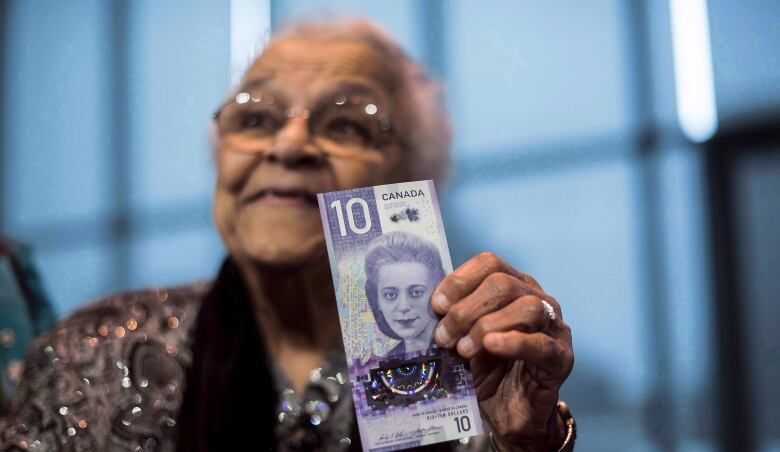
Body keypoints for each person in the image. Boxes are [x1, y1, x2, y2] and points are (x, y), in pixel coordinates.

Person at [0, 19, 575, 451]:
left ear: (411, 180)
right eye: (255, 119)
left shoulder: (475, 373)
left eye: (346, 123)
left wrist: (529, 443)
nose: (290, 145)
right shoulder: (91, 354)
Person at [364, 231, 443, 358]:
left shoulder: (460, 352)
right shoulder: (385, 363)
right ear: (377, 300)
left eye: (416, 292)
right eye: (390, 295)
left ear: (437, 290)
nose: (403, 307)